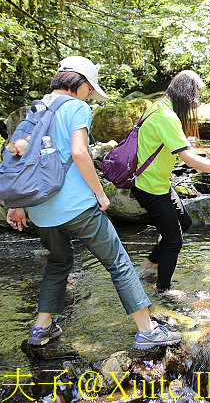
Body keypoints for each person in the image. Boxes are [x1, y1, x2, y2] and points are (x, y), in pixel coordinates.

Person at [5, 56, 181, 350]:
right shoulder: (76, 107)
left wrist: (16, 204)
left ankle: (41, 328)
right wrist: (100, 193)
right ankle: (147, 330)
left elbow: (17, 156)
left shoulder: (35, 110)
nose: (91, 95)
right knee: (119, 263)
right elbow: (79, 152)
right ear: (81, 82)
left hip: (40, 208)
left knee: (59, 262)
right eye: (90, 89)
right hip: (76, 205)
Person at [132, 71, 210, 292]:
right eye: (196, 96)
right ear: (187, 94)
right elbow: (188, 159)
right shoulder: (166, 117)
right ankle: (163, 290)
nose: (196, 103)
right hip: (150, 187)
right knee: (174, 240)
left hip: (157, 182)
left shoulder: (159, 105)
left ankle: (149, 264)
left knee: (184, 223)